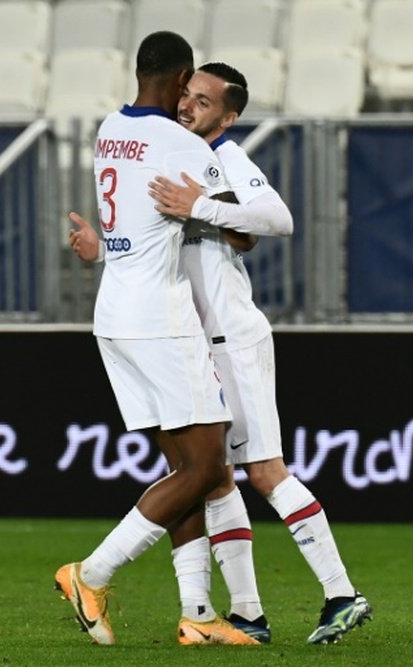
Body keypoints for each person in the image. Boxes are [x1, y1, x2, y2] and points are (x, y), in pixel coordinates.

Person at [71, 62, 373, 645]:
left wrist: (201, 205)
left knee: (263, 471)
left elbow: (275, 220)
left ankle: (342, 594)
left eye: (204, 102)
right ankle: (248, 615)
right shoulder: (174, 156)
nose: (188, 107)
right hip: (185, 337)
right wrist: (103, 249)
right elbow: (164, 247)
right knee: (213, 481)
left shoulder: (227, 159)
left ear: (228, 117)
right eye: (187, 95)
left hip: (232, 338)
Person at [54, 31, 259, 647]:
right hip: (160, 317)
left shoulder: (109, 128)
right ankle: (90, 573)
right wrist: (206, 203)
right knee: (204, 466)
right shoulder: (179, 141)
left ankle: (197, 614)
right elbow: (243, 230)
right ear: (180, 81)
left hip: (115, 309)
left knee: (184, 466)